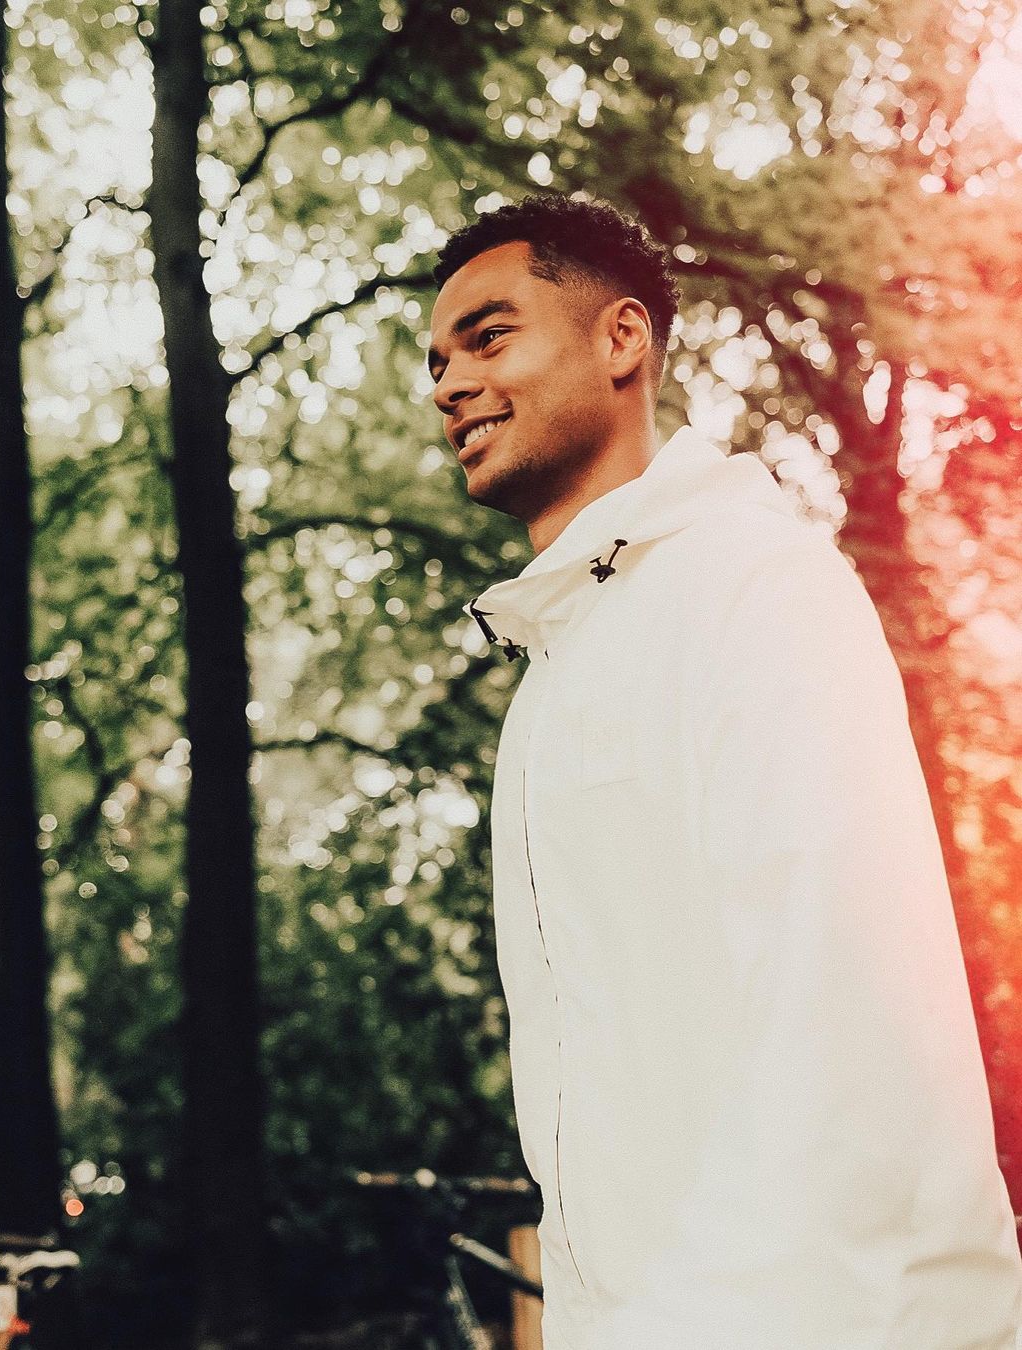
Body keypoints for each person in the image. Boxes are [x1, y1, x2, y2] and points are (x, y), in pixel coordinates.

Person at [425, 192, 1022, 1349]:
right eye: (437, 362)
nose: (449, 384)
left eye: (487, 337)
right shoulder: (548, 687)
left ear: (622, 340)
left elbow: (843, 1024)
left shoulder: (755, 586)